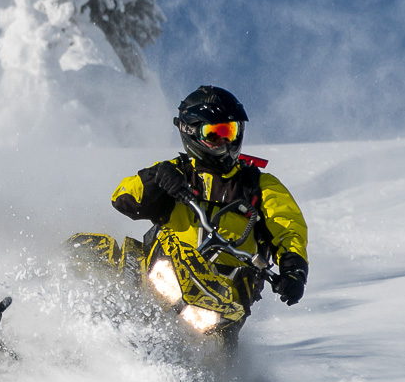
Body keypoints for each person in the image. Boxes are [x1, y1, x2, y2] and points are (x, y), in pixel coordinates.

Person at [109, 85, 309, 347]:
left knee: (219, 356)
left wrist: (293, 270)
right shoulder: (177, 173)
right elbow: (123, 198)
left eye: (230, 132)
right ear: (191, 132)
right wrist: (156, 178)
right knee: (103, 253)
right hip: (166, 276)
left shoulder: (260, 185)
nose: (224, 142)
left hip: (224, 302)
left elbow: (288, 228)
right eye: (215, 134)